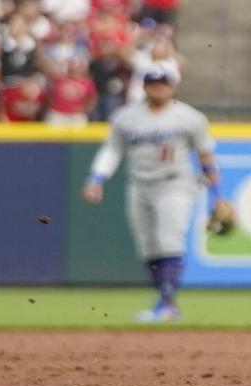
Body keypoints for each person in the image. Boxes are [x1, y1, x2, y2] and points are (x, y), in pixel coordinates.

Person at [82, 69, 228, 322]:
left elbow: (205, 155)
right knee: (148, 248)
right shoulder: (126, 117)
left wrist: (218, 196)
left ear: (172, 87)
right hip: (139, 185)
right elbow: (112, 150)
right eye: (153, 83)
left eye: (163, 84)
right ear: (145, 87)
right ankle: (165, 299)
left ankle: (167, 304)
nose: (158, 88)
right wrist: (97, 178)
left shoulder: (189, 117)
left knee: (169, 240)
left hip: (176, 183)